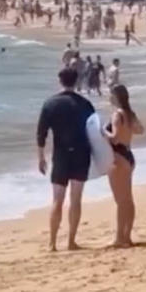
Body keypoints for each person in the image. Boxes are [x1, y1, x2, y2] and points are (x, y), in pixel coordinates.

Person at [36, 67, 96, 251]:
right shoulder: (85, 104)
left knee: (57, 200)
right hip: (81, 154)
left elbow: (41, 134)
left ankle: (52, 243)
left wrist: (41, 158)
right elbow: (94, 132)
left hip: (61, 156)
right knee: (76, 199)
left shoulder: (50, 104)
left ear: (60, 81)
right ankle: (71, 241)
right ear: (77, 82)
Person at [102, 84, 144, 248]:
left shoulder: (117, 114)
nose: (109, 97)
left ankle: (120, 238)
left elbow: (115, 138)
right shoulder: (130, 113)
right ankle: (127, 236)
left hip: (118, 157)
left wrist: (102, 132)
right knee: (128, 199)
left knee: (121, 201)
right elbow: (140, 130)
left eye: (110, 95)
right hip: (128, 155)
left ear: (116, 97)